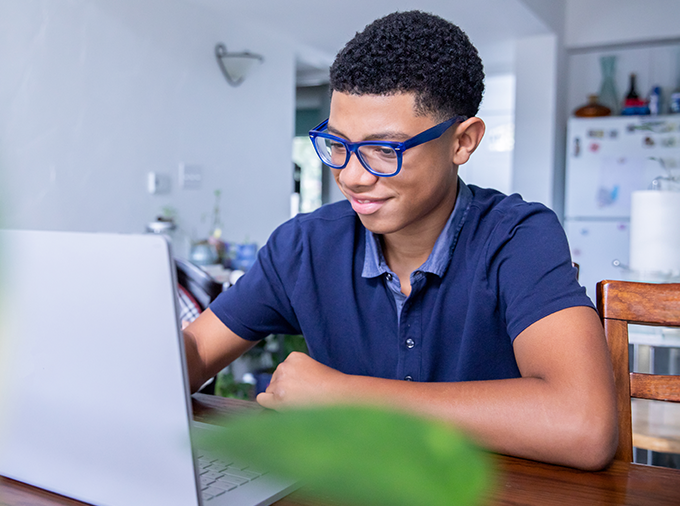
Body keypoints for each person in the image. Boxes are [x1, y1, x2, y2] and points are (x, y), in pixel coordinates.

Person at [183, 10, 618, 470]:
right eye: (336, 145)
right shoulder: (305, 246)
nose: (350, 177)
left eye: (384, 150)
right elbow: (195, 352)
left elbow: (583, 425)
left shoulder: (517, 237)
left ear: (462, 142)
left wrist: (347, 396)